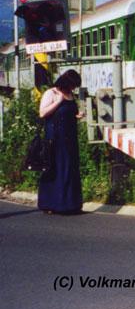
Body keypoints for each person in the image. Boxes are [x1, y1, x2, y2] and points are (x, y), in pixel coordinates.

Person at [38, 69, 84, 214]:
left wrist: (77, 115)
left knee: (70, 168)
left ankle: (70, 204)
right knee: (56, 169)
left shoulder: (70, 95)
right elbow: (42, 113)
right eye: (72, 85)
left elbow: (68, 114)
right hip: (55, 138)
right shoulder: (51, 93)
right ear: (66, 82)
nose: (73, 88)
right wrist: (58, 102)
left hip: (70, 138)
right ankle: (52, 204)